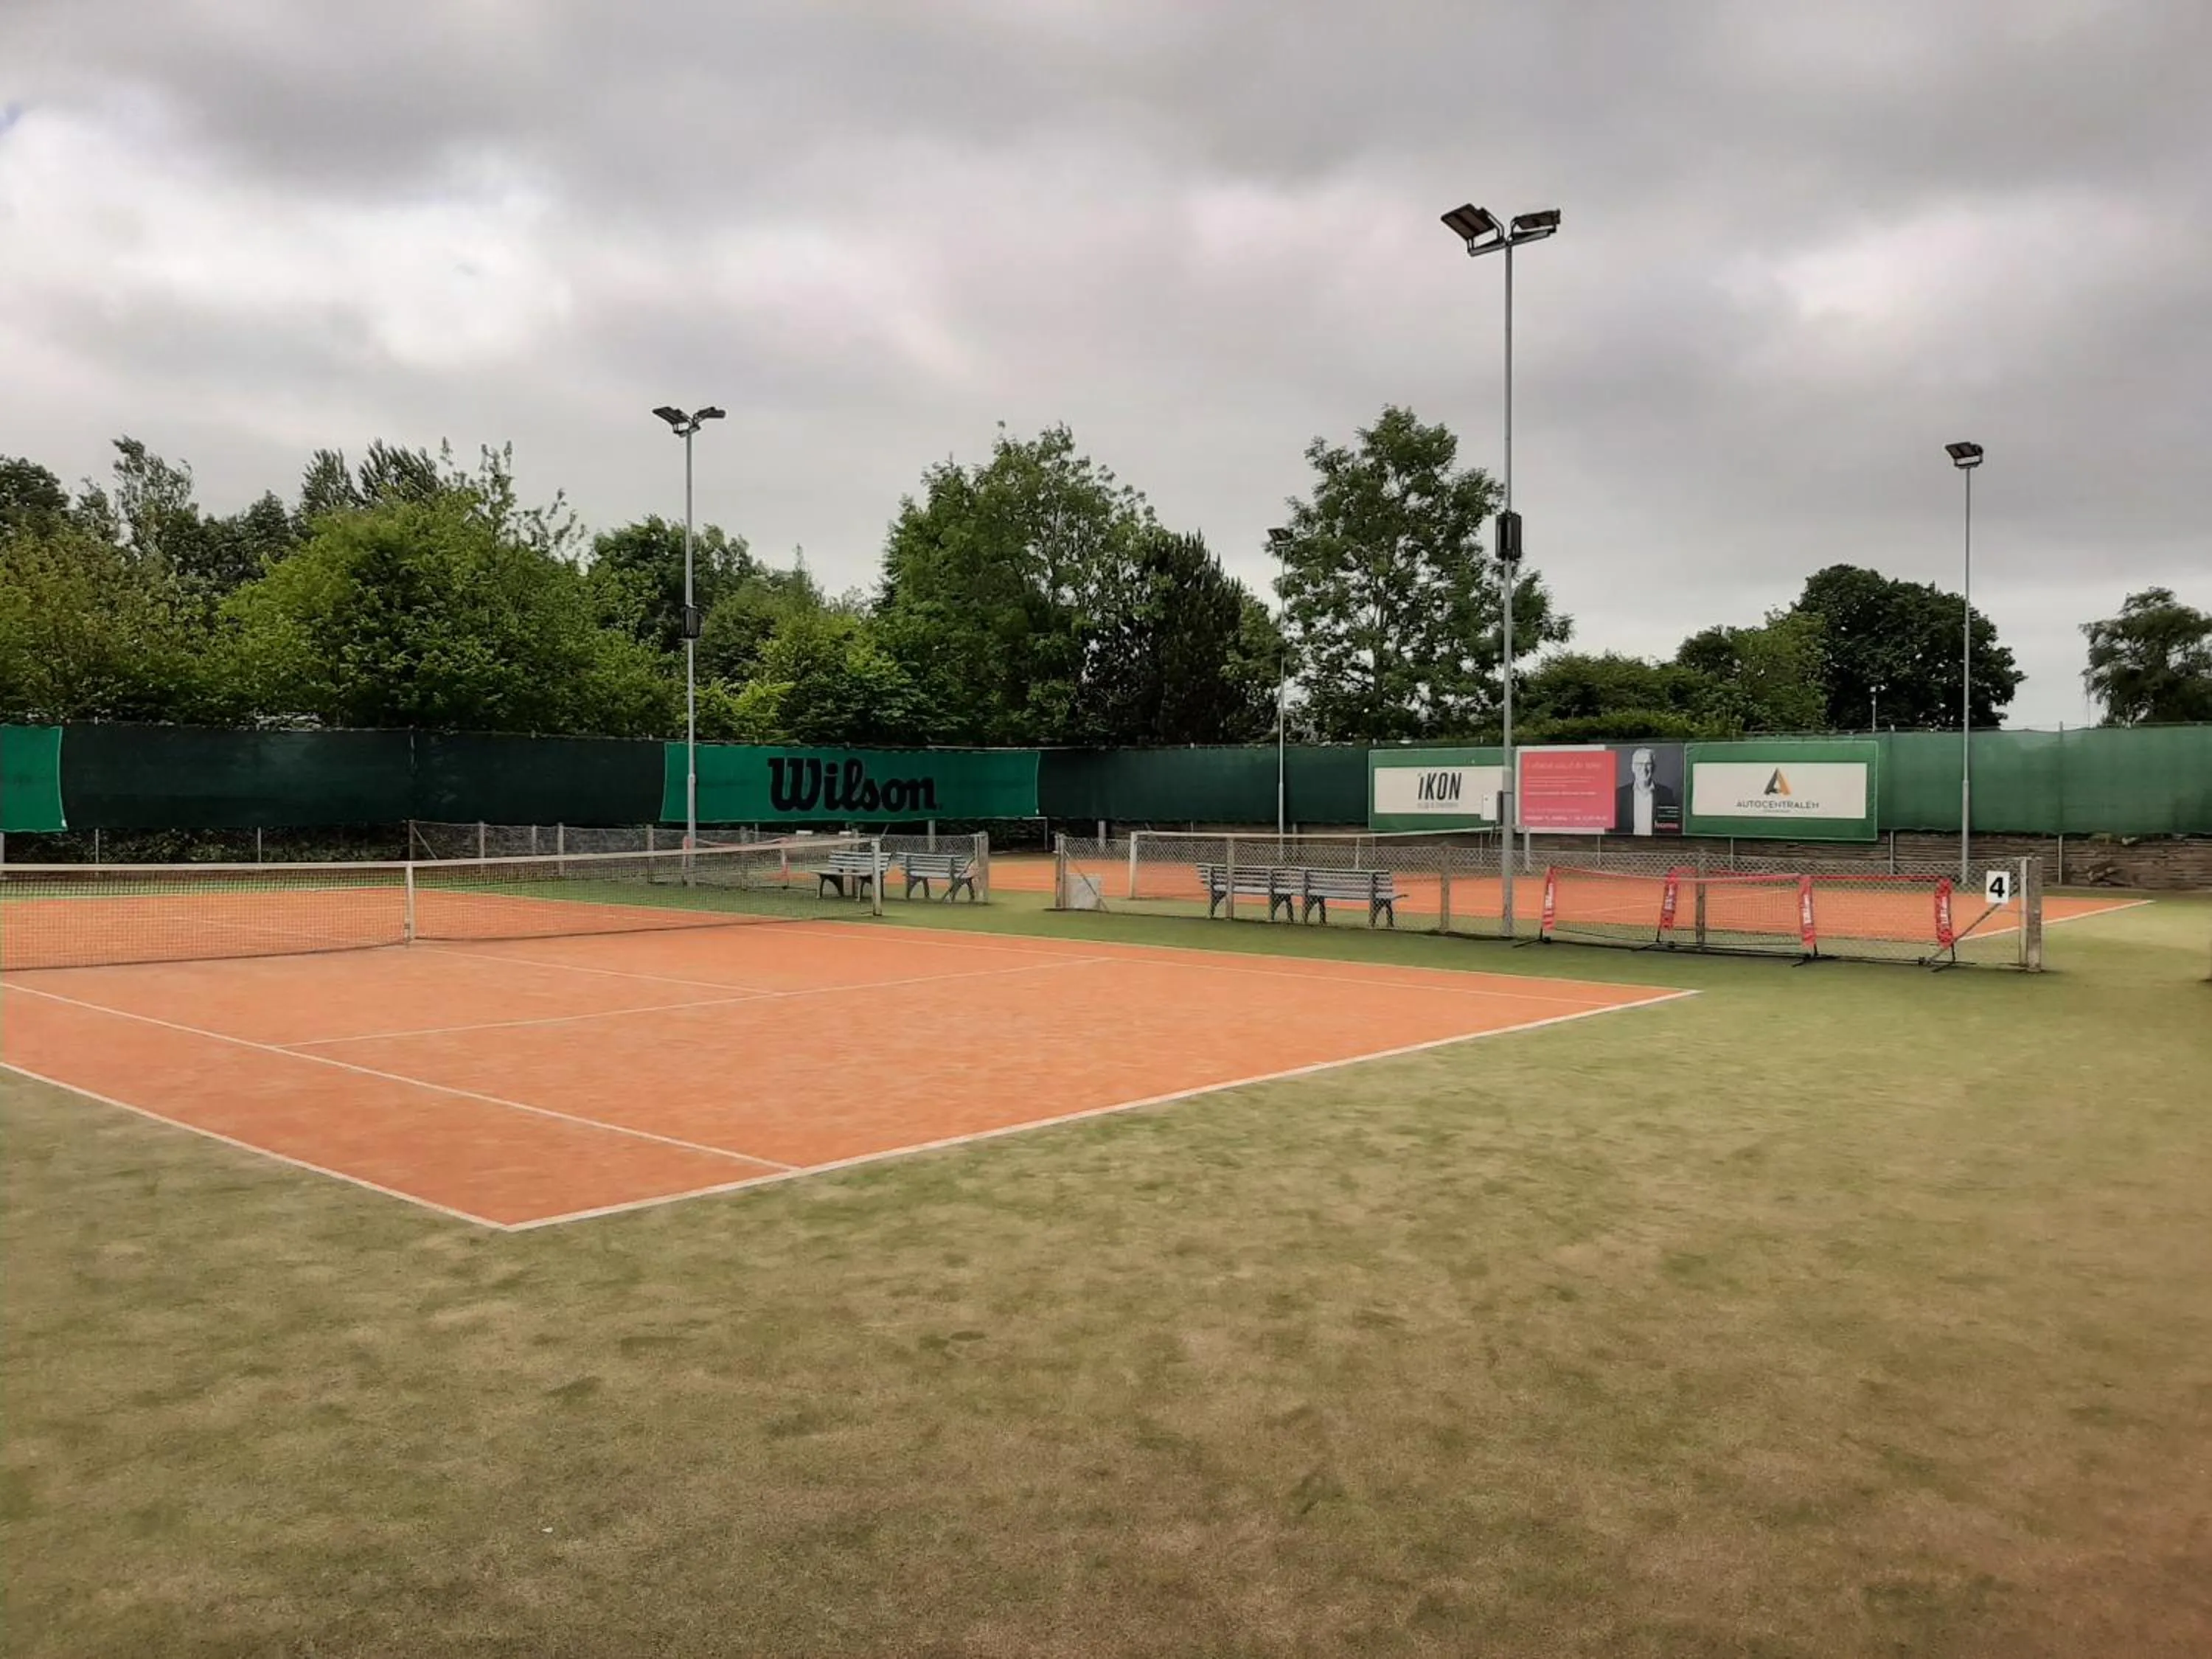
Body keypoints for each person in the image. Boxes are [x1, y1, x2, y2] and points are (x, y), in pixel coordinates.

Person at [1615, 745, 1678, 836]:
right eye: (1639, 764)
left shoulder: (1666, 794)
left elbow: (1671, 826)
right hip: (1627, 846)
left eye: (1648, 764)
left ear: (1654, 767)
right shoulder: (1620, 794)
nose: (1644, 769)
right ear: (1633, 767)